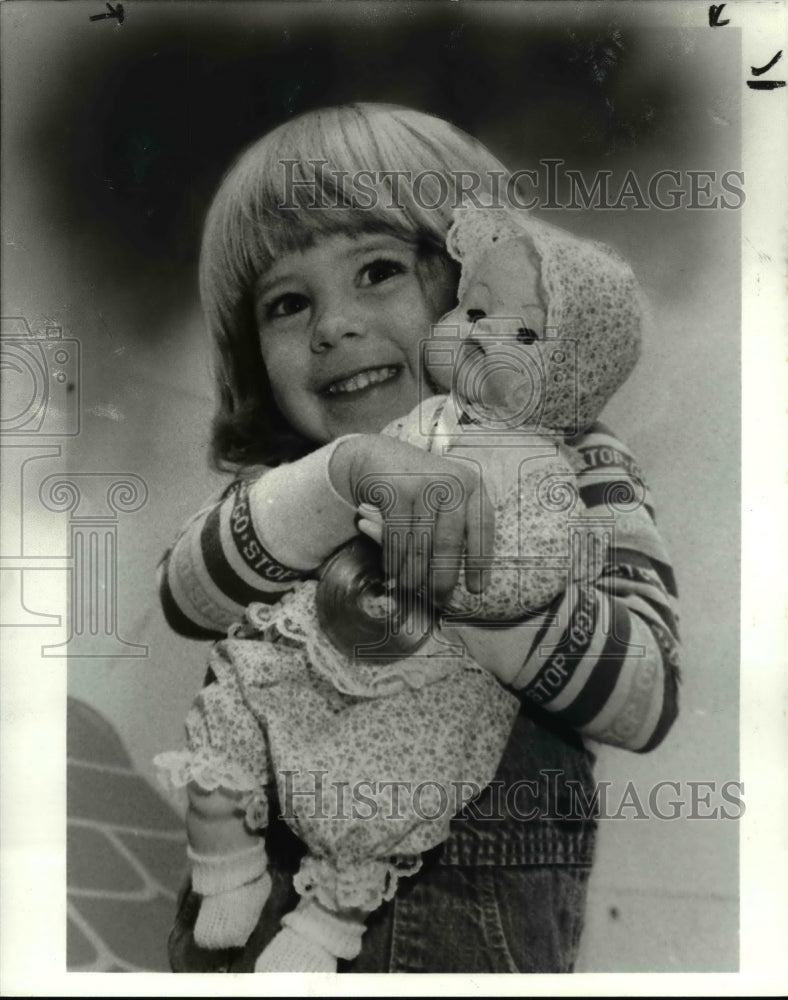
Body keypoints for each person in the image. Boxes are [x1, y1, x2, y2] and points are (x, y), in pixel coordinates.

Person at [159, 104, 681, 974]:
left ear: (478, 284)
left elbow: (648, 693)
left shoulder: (575, 460)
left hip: (457, 927)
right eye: (288, 303)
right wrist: (348, 475)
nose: (331, 326)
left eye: (377, 270)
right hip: (245, 923)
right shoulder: (297, 489)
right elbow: (186, 595)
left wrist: (470, 574)